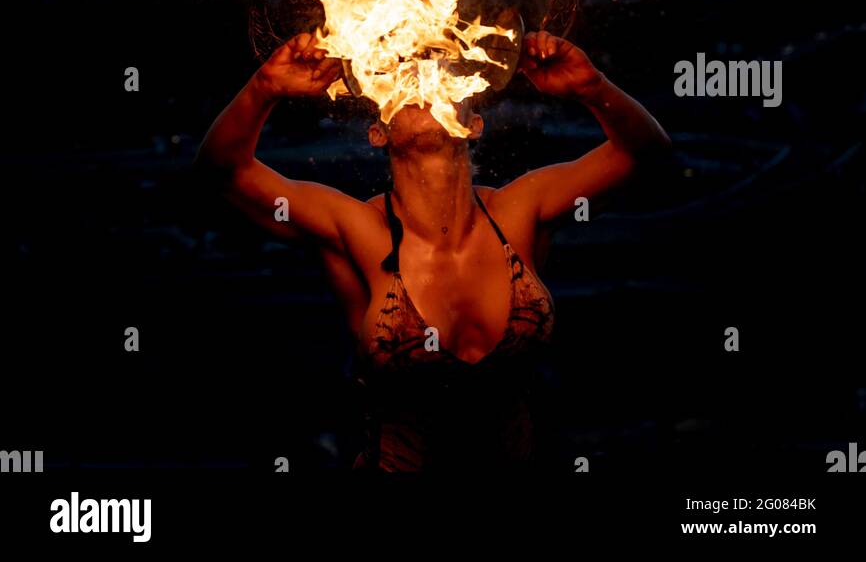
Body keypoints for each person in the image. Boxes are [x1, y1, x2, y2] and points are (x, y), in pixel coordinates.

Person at [195, 29, 671, 470]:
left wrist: (593, 86)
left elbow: (646, 155)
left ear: (475, 123)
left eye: (442, 77)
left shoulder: (520, 211)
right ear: (378, 132)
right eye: (402, 80)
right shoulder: (358, 229)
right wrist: (263, 88)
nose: (424, 84)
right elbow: (224, 171)